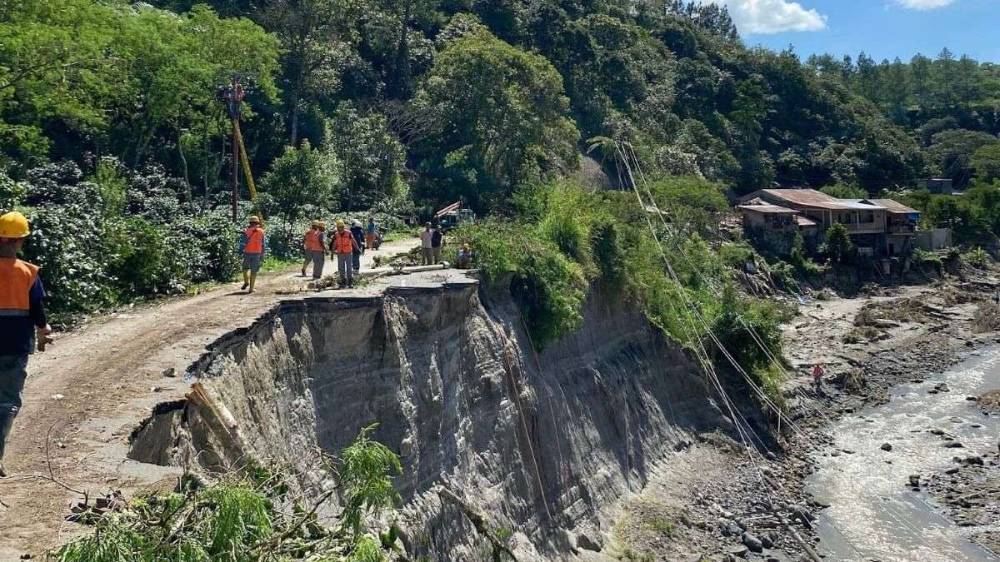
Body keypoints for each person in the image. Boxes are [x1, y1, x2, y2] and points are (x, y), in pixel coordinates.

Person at [0, 211, 53, 478]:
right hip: (15, 346)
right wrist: (44, 332)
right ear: (18, 241)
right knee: (6, 401)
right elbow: (38, 311)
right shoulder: (28, 272)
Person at [239, 216, 266, 294]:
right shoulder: (261, 231)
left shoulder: (246, 231)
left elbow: (242, 243)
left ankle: (246, 282)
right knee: (254, 271)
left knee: (245, 268)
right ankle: (251, 289)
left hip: (247, 252)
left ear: (250, 223)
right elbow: (263, 244)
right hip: (257, 253)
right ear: (257, 222)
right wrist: (263, 254)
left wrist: (240, 251)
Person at [331, 220, 361, 288]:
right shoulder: (336, 234)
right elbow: (334, 244)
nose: (340, 229)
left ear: (343, 227)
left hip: (348, 252)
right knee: (341, 268)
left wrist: (357, 248)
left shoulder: (348, 233)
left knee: (349, 267)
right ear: (337, 228)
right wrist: (332, 253)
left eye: (341, 227)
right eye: (338, 227)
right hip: (340, 253)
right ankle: (343, 282)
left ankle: (350, 282)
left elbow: (353, 241)